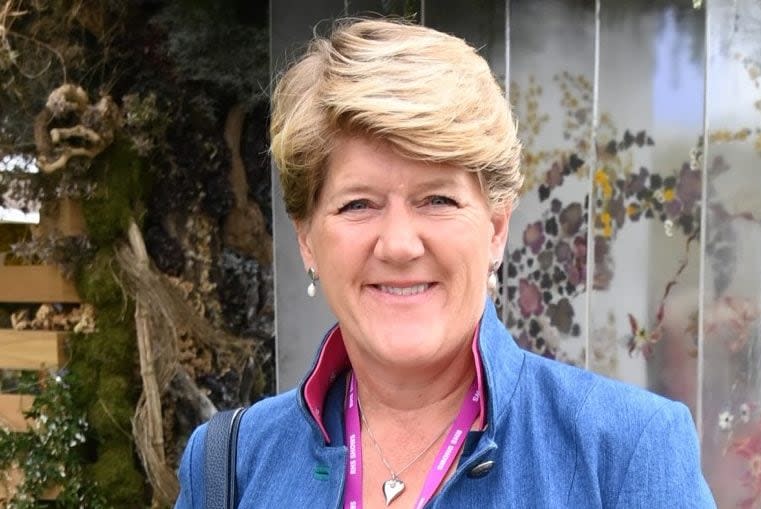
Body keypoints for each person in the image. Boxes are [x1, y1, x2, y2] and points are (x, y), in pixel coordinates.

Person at [175, 19, 715, 508]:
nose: (401, 245)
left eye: (438, 200)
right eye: (358, 204)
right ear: (307, 240)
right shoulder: (229, 466)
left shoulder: (625, 453)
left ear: (496, 227)